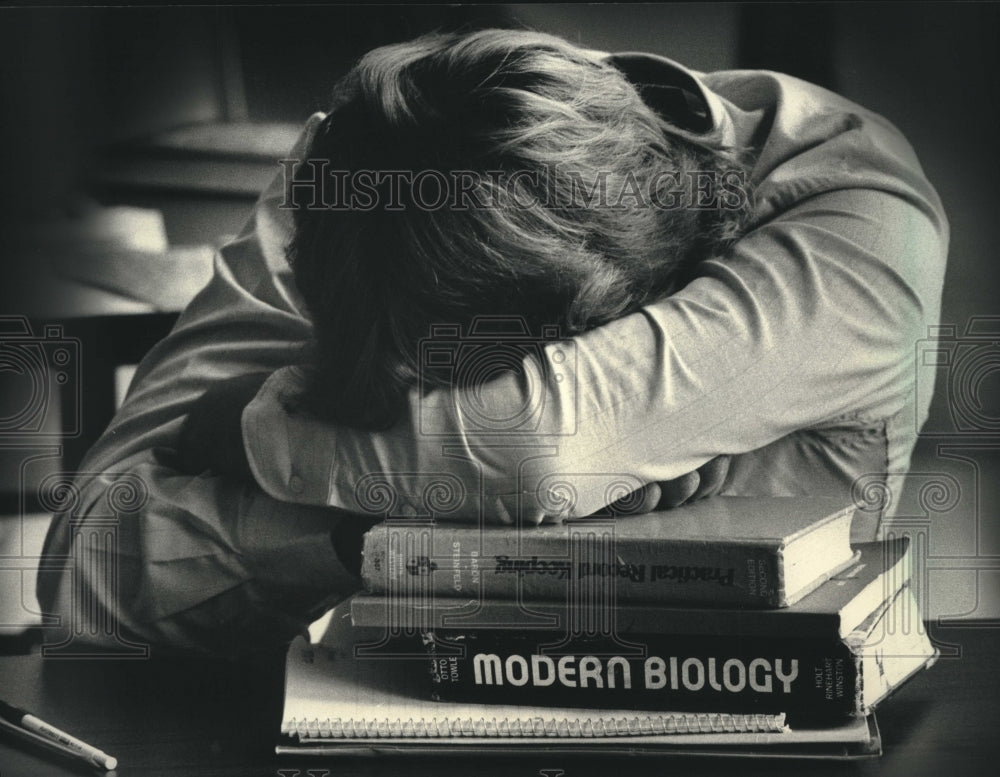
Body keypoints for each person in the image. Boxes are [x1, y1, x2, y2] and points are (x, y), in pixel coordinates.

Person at [38, 29, 948, 656]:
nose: (425, 408)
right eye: (409, 391)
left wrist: (242, 425)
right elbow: (84, 576)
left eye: (446, 390)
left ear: (656, 281)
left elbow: (530, 446)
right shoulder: (361, 172)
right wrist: (384, 534)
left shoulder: (857, 208)